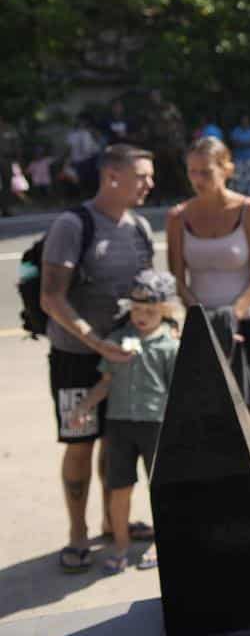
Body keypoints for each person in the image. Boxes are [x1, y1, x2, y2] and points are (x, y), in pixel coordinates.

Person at [39, 144, 156, 573]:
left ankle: (112, 522)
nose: (150, 183)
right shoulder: (74, 225)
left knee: (116, 442)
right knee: (79, 444)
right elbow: (51, 298)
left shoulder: (140, 227)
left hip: (124, 359)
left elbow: (148, 294)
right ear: (112, 176)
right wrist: (95, 343)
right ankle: (77, 534)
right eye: (142, 175)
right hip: (76, 359)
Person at [167, 137, 250, 503]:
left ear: (227, 168)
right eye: (193, 172)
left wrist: (237, 311)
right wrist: (201, 314)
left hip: (247, 321)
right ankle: (223, 487)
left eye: (206, 171)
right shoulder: (178, 217)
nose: (199, 179)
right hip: (202, 324)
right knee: (210, 411)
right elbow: (178, 279)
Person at [68, 270, 178, 575]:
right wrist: (85, 407)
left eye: (150, 311)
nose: (141, 316)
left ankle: (162, 542)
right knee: (119, 488)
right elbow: (105, 382)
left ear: (165, 310)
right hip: (119, 426)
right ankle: (120, 545)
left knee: (161, 489)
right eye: (136, 309)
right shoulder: (118, 340)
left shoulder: (171, 346)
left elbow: (178, 392)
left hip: (156, 426)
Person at [66, 116, 102, 197]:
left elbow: (93, 149)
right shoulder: (73, 134)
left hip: (88, 160)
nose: (82, 124)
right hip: (79, 161)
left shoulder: (88, 133)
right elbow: (69, 150)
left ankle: (89, 192)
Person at [229, 115, 250, 197]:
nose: (245, 122)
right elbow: (235, 143)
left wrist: (242, 143)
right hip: (239, 158)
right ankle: (241, 197)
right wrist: (248, 143)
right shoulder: (236, 130)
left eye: (246, 121)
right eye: (243, 121)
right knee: (239, 179)